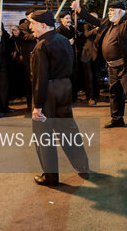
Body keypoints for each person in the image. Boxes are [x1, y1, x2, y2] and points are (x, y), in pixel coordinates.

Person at [29, 10, 90, 186]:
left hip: (48, 91)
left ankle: (50, 177)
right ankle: (82, 166)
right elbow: (73, 67)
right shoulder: (64, 41)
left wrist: (38, 106)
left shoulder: (41, 46)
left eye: (33, 24)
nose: (31, 27)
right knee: (68, 130)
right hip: (64, 87)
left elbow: (40, 77)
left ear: (42, 25)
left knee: (44, 136)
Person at [71, 0, 127, 131]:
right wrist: (79, 10)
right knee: (114, 93)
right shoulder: (109, 23)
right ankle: (117, 119)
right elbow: (93, 20)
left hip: (126, 66)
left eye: (112, 11)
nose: (109, 13)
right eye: (109, 11)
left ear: (120, 11)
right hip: (111, 66)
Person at [15, 7, 37, 110]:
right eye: (31, 14)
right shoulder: (22, 26)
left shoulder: (40, 24)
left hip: (40, 56)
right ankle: (30, 102)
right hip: (28, 57)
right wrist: (37, 34)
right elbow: (25, 37)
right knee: (29, 81)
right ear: (27, 16)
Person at [57, 11, 79, 101]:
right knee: (66, 77)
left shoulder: (72, 29)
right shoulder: (59, 30)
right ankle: (66, 98)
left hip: (72, 56)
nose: (69, 20)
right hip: (64, 57)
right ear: (61, 20)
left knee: (73, 76)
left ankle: (74, 97)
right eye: (66, 18)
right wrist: (67, 43)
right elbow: (57, 45)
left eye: (69, 18)